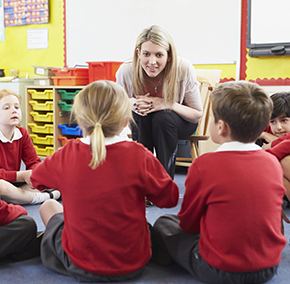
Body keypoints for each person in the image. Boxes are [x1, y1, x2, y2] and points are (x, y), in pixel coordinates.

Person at [29, 80, 179, 282]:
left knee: (48, 206)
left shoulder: (66, 154)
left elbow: (37, 180)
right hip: (133, 263)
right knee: (147, 224)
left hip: (79, 264)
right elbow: (169, 199)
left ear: (80, 121)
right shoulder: (139, 154)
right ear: (126, 121)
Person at [151, 81, 287, 284]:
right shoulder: (271, 162)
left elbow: (189, 223)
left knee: (165, 223)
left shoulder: (204, 165)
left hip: (219, 270)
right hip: (269, 267)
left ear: (221, 127)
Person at [116, 25, 203, 178]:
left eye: (159, 55)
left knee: (163, 116)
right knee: (141, 115)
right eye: (146, 54)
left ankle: (164, 181)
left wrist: (167, 104)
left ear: (169, 56)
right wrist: (131, 104)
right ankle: (144, 179)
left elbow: (196, 114)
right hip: (144, 121)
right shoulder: (126, 71)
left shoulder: (183, 68)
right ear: (138, 53)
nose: (152, 61)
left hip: (180, 122)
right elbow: (115, 108)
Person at [0, 89, 60, 205]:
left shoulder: (22, 133)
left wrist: (37, 173)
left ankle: (27, 196)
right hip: (5, 183)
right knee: (2, 186)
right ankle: (43, 197)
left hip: (14, 182)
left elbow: (33, 161)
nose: (14, 111)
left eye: (17, 107)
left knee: (50, 175)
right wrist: (21, 175)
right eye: (7, 108)